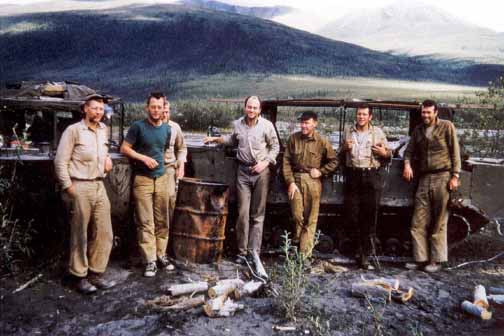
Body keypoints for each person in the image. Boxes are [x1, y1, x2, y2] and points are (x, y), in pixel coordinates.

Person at [204, 96, 279, 278]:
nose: (251, 110)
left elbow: (275, 147)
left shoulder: (267, 126)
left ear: (259, 110)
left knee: (257, 215)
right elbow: (233, 139)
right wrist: (216, 139)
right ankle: (242, 252)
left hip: (261, 172)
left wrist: (265, 163)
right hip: (243, 172)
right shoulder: (238, 124)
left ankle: (255, 253)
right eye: (249, 107)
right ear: (245, 108)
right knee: (242, 213)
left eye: (255, 108)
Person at [54, 94, 116, 294]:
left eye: (101, 109)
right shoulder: (73, 131)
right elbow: (60, 162)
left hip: (99, 185)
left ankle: (96, 273)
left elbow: (102, 156)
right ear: (85, 109)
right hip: (79, 185)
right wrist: (68, 187)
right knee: (79, 232)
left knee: (105, 231)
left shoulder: (103, 130)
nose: (98, 112)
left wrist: (107, 164)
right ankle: (79, 276)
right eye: (95, 108)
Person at [403, 99, 461, 273]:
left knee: (439, 222)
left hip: (443, 177)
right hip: (424, 178)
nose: (425, 115)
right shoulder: (418, 130)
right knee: (418, 222)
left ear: (436, 112)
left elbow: (455, 152)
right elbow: (409, 151)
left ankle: (435, 261)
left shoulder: (447, 126)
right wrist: (407, 164)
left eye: (429, 112)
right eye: (423, 112)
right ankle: (420, 259)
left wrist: (455, 176)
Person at [120, 92, 173, 277]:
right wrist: (143, 158)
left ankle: (161, 254)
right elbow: (124, 148)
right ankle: (150, 260)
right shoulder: (138, 127)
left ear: (163, 108)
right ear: (147, 107)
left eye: (159, 107)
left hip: (162, 178)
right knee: (145, 221)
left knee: (162, 220)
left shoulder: (167, 129)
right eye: (153, 107)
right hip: (142, 180)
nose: (156, 110)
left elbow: (162, 150)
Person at [340, 105, 391, 270]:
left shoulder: (378, 133)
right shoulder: (349, 131)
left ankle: (365, 256)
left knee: (369, 217)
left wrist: (384, 153)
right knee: (353, 215)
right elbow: (341, 153)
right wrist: (344, 148)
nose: (360, 117)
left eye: (364, 114)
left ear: (370, 117)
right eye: (358, 114)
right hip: (353, 176)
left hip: (371, 176)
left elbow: (389, 154)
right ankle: (356, 249)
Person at [282, 111, 338, 260]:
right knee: (297, 215)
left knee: (311, 219)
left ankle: (304, 256)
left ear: (315, 123)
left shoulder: (321, 141)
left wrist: (321, 171)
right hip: (296, 180)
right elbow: (286, 162)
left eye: (307, 123)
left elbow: (334, 161)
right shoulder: (293, 139)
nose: (303, 126)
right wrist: (290, 182)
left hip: (313, 182)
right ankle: (296, 242)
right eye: (302, 122)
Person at [162, 101, 187, 224]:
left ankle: (168, 234)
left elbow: (182, 148)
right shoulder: (148, 127)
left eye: (167, 112)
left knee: (170, 200)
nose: (164, 115)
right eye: (162, 112)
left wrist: (181, 164)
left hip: (169, 168)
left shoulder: (175, 128)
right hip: (152, 169)